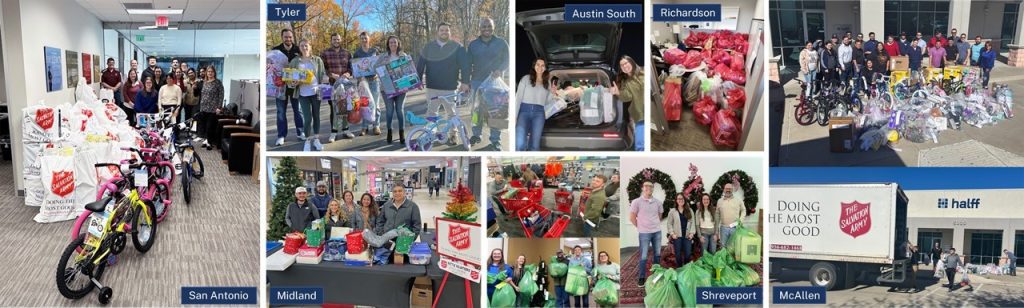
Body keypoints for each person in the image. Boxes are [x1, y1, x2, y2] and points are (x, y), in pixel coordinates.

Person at [467, 18, 509, 151]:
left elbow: (507, 59)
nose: (487, 28)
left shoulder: (501, 43)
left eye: (489, 26)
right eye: (484, 26)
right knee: (476, 111)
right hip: (477, 82)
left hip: (495, 84)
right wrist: (465, 82)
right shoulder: (473, 44)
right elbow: (468, 64)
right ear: (479, 28)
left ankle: (495, 141)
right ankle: (476, 135)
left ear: (493, 27)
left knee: (497, 112)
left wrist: (500, 69)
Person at [417, 22, 470, 118]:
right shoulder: (429, 46)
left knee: (452, 113)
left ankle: (453, 132)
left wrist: (465, 82)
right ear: (437, 32)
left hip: (450, 88)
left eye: (447, 30)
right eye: (442, 30)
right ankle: (431, 132)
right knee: (431, 113)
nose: (444, 32)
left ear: (450, 32)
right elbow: (421, 63)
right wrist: (418, 80)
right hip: (432, 88)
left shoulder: (458, 47)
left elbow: (465, 66)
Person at [288, 39, 328, 151]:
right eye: (302, 46)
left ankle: (316, 139)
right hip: (302, 93)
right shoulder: (295, 61)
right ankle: (307, 140)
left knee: (316, 116)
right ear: (299, 48)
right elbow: (288, 76)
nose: (304, 48)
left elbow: (322, 74)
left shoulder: (317, 60)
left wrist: (325, 80)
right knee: (307, 117)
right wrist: (292, 82)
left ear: (310, 47)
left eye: (306, 45)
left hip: (316, 92)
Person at [320, 33, 356, 141]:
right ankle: (333, 132)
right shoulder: (325, 53)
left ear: (340, 40)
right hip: (331, 85)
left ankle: (346, 129)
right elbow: (323, 69)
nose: (336, 41)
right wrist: (331, 75)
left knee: (345, 107)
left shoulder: (347, 53)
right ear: (331, 40)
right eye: (334, 39)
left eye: (338, 39)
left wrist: (348, 74)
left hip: (345, 85)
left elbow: (351, 68)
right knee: (334, 109)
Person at [515, 58, 556, 151]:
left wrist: (552, 93)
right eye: (538, 64)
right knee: (519, 144)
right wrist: (514, 116)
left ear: (545, 68)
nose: (540, 67)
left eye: (542, 65)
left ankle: (533, 163)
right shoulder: (526, 78)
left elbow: (546, 102)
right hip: (523, 111)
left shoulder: (547, 82)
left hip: (539, 113)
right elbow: (518, 98)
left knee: (535, 145)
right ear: (534, 66)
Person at [273, 28, 305, 145]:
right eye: (286, 37)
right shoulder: (276, 50)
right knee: (281, 112)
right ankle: (281, 135)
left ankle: (300, 132)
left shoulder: (298, 49)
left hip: (295, 86)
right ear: (282, 37)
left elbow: (303, 67)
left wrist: (300, 79)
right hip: (281, 87)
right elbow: (271, 69)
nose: (288, 39)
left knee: (298, 110)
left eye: (290, 37)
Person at [629, 181, 663, 287]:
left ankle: (656, 274)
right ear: (642, 188)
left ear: (653, 189)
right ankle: (642, 277)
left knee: (657, 254)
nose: (649, 188)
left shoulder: (658, 202)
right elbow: (632, 217)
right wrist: (640, 227)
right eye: (646, 186)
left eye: (651, 186)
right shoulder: (636, 202)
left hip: (657, 232)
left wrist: (654, 224)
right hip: (644, 233)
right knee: (643, 256)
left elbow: (659, 215)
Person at [610, 55, 644, 151]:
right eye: (622, 65)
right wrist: (618, 92)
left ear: (631, 62)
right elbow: (627, 97)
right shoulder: (626, 82)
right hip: (640, 114)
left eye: (626, 63)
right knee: (640, 145)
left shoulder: (644, 72)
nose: (624, 66)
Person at [353, 31, 382, 137]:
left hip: (374, 80)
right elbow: (355, 69)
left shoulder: (375, 51)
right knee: (364, 105)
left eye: (365, 38)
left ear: (369, 39)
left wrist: (379, 73)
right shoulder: (357, 53)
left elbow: (380, 64)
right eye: (362, 38)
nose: (364, 40)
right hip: (363, 82)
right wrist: (359, 77)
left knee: (376, 104)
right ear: (360, 40)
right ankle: (364, 127)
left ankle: (376, 125)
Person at [380, 36, 408, 144]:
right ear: (388, 44)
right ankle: (389, 131)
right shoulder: (383, 57)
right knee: (390, 111)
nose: (392, 44)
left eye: (394, 42)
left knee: (400, 110)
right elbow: (376, 68)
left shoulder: (403, 55)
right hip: (387, 88)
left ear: (398, 44)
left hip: (401, 86)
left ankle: (401, 132)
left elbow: (408, 70)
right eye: (390, 42)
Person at [198, 65, 224, 149]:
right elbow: (203, 95)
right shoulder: (205, 82)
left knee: (210, 126)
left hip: (213, 108)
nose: (210, 73)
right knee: (205, 126)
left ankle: (210, 142)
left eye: (211, 72)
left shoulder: (218, 82)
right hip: (204, 107)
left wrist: (219, 107)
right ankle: (206, 140)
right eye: (208, 72)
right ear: (206, 73)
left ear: (214, 73)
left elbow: (221, 95)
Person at [668, 193, 695, 267]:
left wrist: (692, 233)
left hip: (687, 236)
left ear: (684, 200)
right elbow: (669, 224)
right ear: (676, 200)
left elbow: (693, 222)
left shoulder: (690, 210)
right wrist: (672, 234)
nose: (680, 200)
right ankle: (679, 268)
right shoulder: (672, 211)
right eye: (679, 199)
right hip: (677, 236)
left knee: (688, 254)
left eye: (682, 199)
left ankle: (686, 268)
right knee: (678, 254)